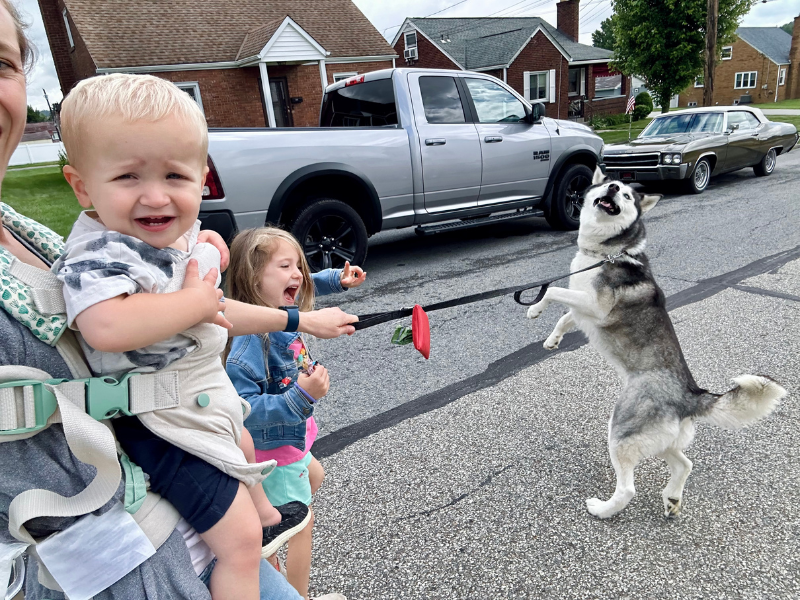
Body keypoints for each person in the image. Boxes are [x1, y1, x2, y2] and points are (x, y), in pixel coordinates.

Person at [0, 5, 357, 597]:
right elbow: (111, 325)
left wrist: (298, 318)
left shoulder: (50, 236)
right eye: (128, 177)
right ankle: (258, 529)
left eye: (175, 177)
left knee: (246, 457)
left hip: (186, 446)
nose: (155, 197)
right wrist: (195, 297)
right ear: (82, 186)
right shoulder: (98, 253)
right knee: (242, 541)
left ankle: (266, 519)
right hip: (148, 486)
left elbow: (212, 307)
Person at [225, 227, 366, 600]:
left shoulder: (277, 310)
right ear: (254, 278)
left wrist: (336, 280)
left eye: (298, 266)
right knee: (301, 524)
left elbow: (305, 286)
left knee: (315, 476)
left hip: (291, 443)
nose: (298, 274)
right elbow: (241, 411)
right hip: (275, 452)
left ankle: (269, 553)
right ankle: (296, 594)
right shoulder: (249, 342)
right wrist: (300, 396)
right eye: (285, 266)